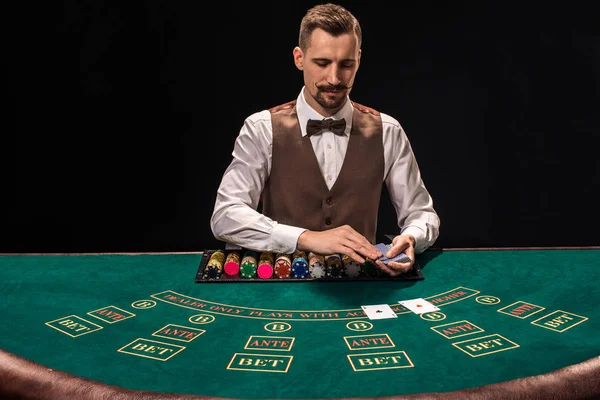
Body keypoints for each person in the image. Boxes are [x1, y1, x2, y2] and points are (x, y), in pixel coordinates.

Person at [210, 3, 440, 276]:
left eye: (346, 64)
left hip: (362, 285)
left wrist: (412, 237)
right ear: (299, 58)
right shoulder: (261, 128)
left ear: (359, 60)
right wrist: (306, 237)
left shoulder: (388, 130)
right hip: (279, 285)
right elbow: (225, 217)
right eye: (322, 63)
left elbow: (422, 214)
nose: (334, 78)